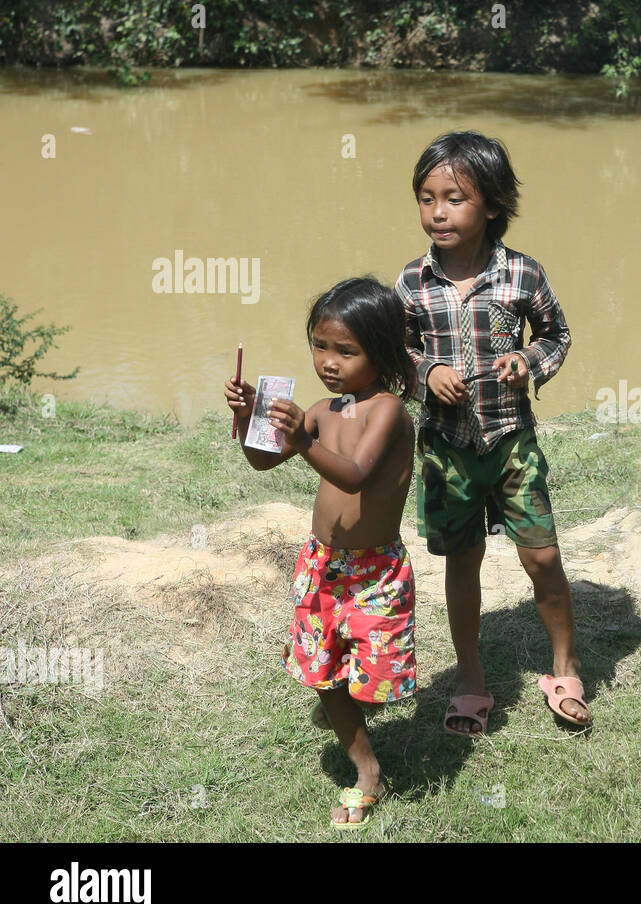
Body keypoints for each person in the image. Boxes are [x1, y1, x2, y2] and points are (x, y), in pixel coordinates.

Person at [394, 131, 589, 738]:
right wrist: (428, 372)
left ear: (494, 206)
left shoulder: (522, 274)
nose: (438, 212)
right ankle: (471, 677)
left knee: (543, 556)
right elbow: (394, 354)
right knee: (461, 563)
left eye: (454, 198)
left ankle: (565, 665)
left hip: (511, 445)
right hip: (447, 454)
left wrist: (530, 362)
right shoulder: (411, 283)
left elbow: (558, 334)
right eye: (427, 199)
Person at [225, 277, 417, 827]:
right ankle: (367, 770)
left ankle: (356, 711)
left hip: (375, 571)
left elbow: (355, 475)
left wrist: (304, 440)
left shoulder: (386, 412)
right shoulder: (319, 408)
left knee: (375, 680)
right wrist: (249, 421)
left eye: (345, 350)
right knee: (324, 673)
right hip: (321, 567)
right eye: (320, 346)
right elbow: (264, 462)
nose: (328, 362)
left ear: (379, 352)